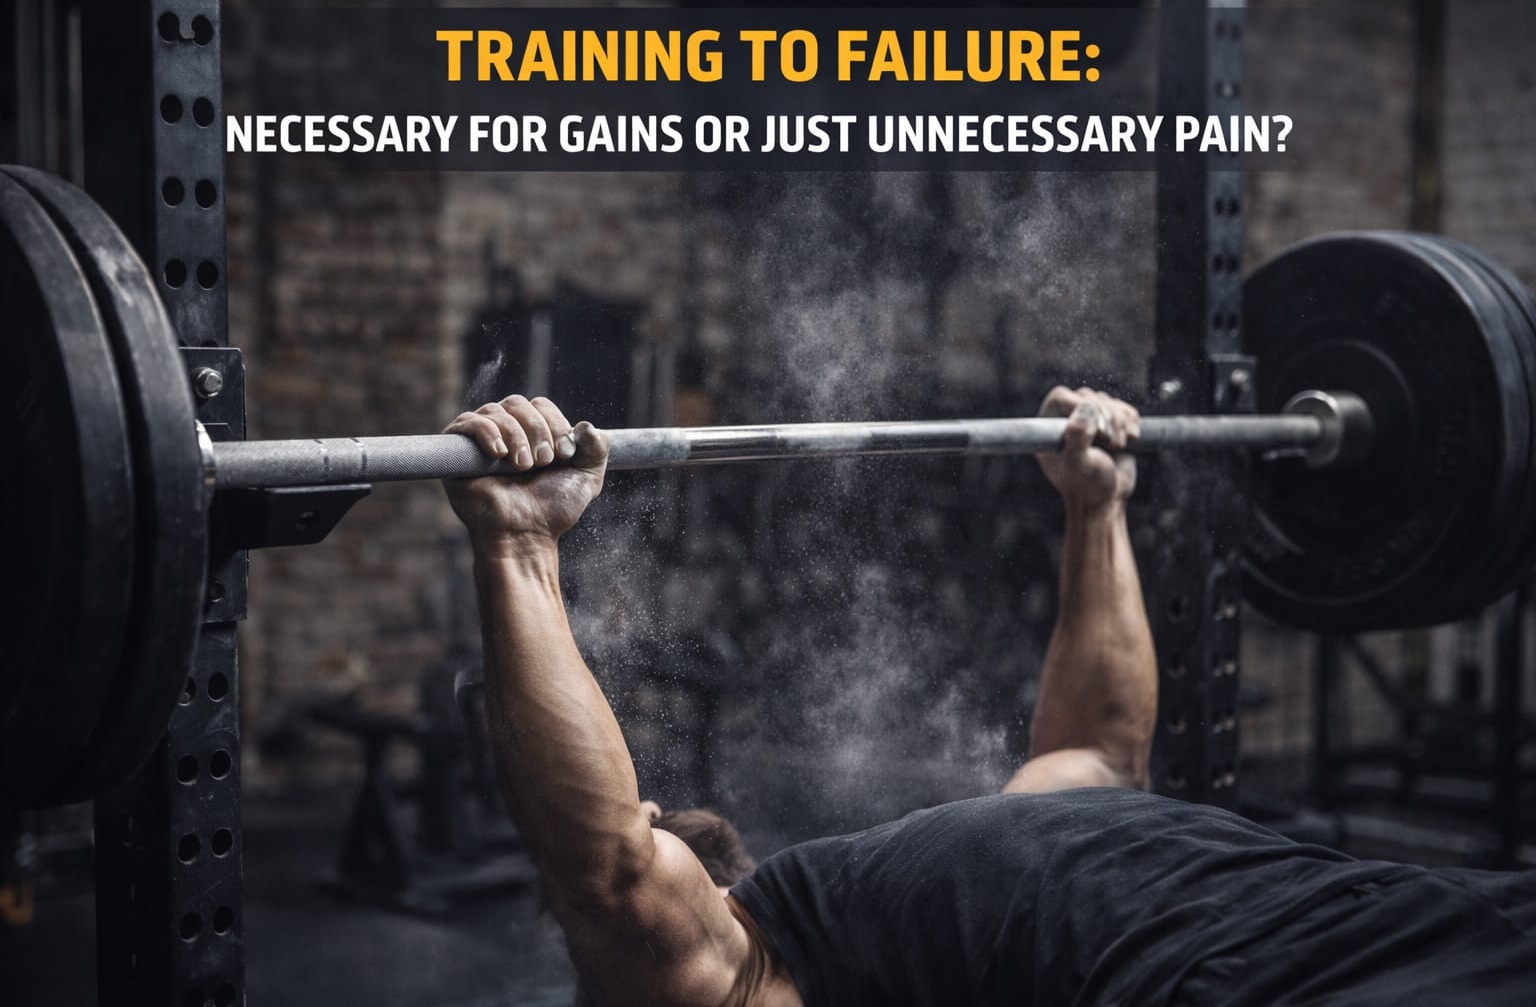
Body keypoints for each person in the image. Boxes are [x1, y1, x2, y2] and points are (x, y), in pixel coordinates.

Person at [443, 389, 1535, 1007]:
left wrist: (523, 545)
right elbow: (1103, 751)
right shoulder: (952, 871)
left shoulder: (768, 942)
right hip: (1429, 916)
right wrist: (1094, 512)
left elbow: (611, 883)